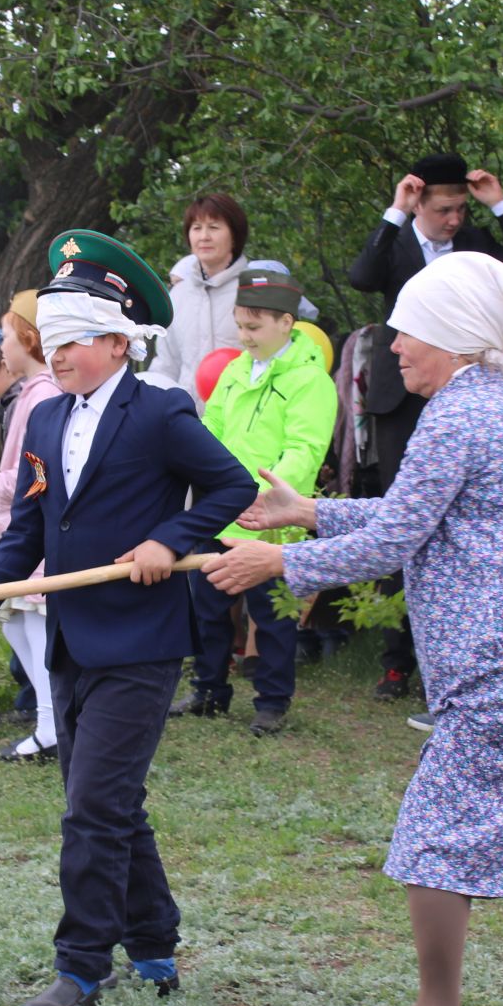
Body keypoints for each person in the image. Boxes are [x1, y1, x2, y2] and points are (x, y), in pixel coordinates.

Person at [205, 251, 503, 1006]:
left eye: (407, 332)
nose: (393, 349)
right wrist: (307, 511)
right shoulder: (490, 406)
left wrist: (281, 561)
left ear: (450, 336)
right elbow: (415, 512)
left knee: (437, 827)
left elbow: (397, 537)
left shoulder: (459, 413)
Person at [0, 230, 255, 1006]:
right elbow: (29, 536)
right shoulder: (47, 423)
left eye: (75, 340)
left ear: (119, 342)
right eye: (52, 342)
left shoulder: (161, 413)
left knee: (91, 811)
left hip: (142, 643)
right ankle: (153, 945)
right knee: (113, 805)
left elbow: (231, 486)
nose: (61, 354)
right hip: (71, 641)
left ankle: (80, 968)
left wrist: (168, 541)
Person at [346, 153, 503, 717]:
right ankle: (396, 659)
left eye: (461, 208)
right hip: (401, 395)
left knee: (453, 522)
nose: (454, 219)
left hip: (461, 385)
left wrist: (500, 204)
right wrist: (394, 213)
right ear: (419, 202)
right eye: (443, 209)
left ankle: (457, 655)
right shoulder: (399, 243)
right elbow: (362, 278)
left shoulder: (477, 243)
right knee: (400, 515)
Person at [179, 266, 337, 735]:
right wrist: (199, 475)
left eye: (254, 327)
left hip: (272, 514)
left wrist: (270, 498)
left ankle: (272, 700)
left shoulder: (312, 381)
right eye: (240, 325)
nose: (243, 336)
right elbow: (212, 431)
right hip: (220, 507)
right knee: (204, 603)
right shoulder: (232, 370)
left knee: (270, 613)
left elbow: (305, 449)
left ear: (286, 323)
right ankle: (208, 689)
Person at [0, 291, 65, 761]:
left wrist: (0, 484)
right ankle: (52, 720)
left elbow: (38, 470)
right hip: (15, 531)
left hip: (33, 537)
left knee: (34, 629)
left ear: (31, 340)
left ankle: (51, 727)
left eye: (7, 337)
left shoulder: (44, 394)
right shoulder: (32, 393)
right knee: (16, 626)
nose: (1, 348)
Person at [150, 194, 249, 405]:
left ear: (234, 236)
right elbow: (166, 364)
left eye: (214, 227)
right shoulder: (177, 296)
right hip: (188, 422)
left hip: (243, 424)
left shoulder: (253, 291)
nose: (204, 236)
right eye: (196, 228)